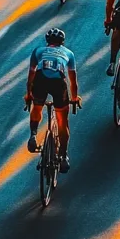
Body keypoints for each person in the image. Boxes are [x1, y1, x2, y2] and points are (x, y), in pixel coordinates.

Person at [25, 28, 80, 173]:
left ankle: (33, 135)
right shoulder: (69, 53)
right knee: (62, 121)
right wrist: (74, 98)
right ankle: (62, 156)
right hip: (58, 82)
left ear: (47, 41)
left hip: (40, 79)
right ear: (62, 42)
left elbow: (31, 75)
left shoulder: (38, 51)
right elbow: (73, 81)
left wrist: (28, 94)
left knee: (37, 107)